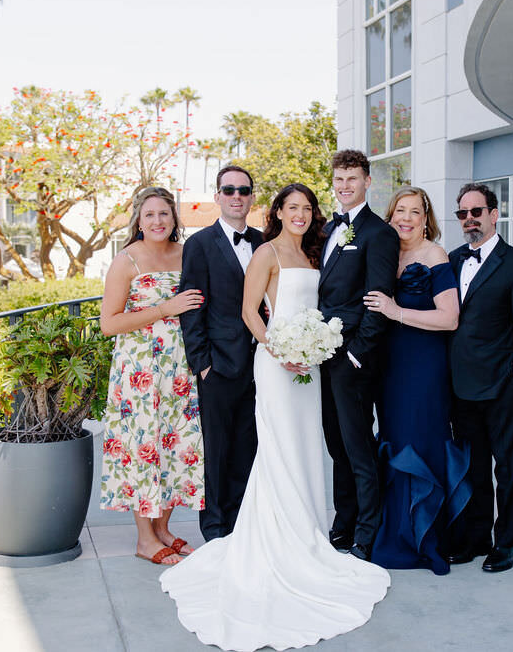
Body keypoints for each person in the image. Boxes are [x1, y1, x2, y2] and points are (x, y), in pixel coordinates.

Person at [160, 184, 390, 651]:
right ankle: (279, 542)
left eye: (307, 208)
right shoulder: (266, 252)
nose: (301, 214)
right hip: (278, 362)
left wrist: (314, 346)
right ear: (279, 212)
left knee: (308, 449)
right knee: (279, 448)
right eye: (293, 208)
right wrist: (280, 349)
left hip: (312, 364)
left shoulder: (317, 253)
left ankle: (308, 533)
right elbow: (249, 311)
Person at [362, 186, 469, 575]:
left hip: (424, 367)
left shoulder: (434, 255)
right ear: (390, 216)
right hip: (389, 367)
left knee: (420, 440)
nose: (406, 218)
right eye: (399, 211)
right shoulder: (387, 253)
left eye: (415, 212)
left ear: (427, 220)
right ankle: (395, 532)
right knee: (394, 439)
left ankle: (424, 537)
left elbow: (449, 317)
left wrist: (395, 311)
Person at [98, 186, 206, 566]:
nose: (158, 221)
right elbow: (109, 324)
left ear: (174, 218)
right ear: (139, 221)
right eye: (150, 215)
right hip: (140, 370)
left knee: (177, 446)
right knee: (144, 446)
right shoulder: (127, 260)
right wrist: (165, 308)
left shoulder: (186, 253)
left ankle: (163, 529)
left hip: (180, 368)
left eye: (164, 214)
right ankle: (145, 538)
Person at [446, 183, 513, 573]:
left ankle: (507, 544)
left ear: (494, 214)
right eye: (463, 213)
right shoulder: (452, 260)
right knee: (473, 468)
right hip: (461, 385)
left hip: (502, 385)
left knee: (508, 468)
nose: (469, 219)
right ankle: (476, 538)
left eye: (476, 212)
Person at [318, 149, 400, 561]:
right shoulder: (330, 229)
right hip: (324, 355)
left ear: (368, 181)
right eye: (339, 180)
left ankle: (368, 533)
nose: (345, 186)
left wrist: (357, 353)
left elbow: (378, 298)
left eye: (352, 179)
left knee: (358, 447)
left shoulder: (378, 233)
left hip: (352, 358)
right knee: (336, 445)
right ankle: (343, 523)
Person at [180, 165, 263, 542]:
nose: (236, 196)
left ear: (251, 197)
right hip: (218, 365)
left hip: (262, 364)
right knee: (216, 449)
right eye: (228, 190)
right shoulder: (199, 245)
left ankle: (241, 523)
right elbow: (192, 307)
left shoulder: (264, 242)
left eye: (243, 190)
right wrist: (203, 365)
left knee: (249, 446)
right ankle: (214, 528)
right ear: (217, 196)